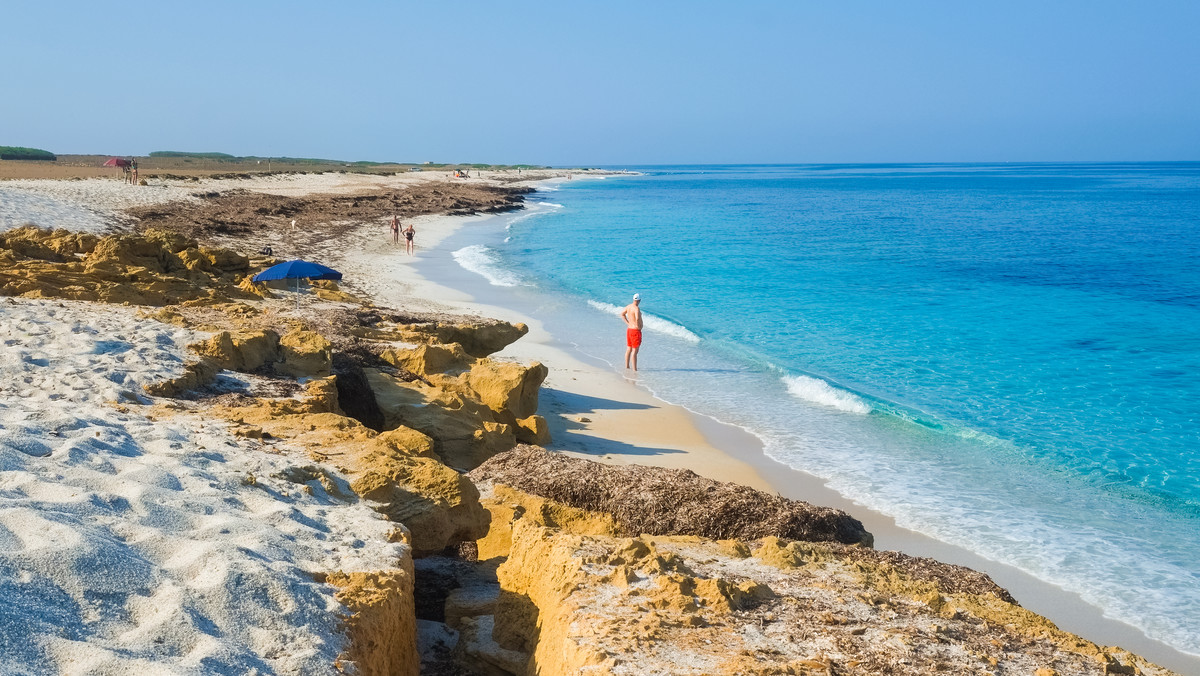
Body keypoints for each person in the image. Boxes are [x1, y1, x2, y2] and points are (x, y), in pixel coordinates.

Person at [620, 293, 643, 371]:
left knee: (629, 348)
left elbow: (622, 314)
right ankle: (634, 369)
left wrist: (628, 323)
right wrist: (639, 326)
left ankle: (627, 366)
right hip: (635, 331)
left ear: (633, 299)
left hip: (629, 329)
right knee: (635, 350)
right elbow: (637, 318)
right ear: (639, 300)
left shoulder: (629, 306)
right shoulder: (636, 309)